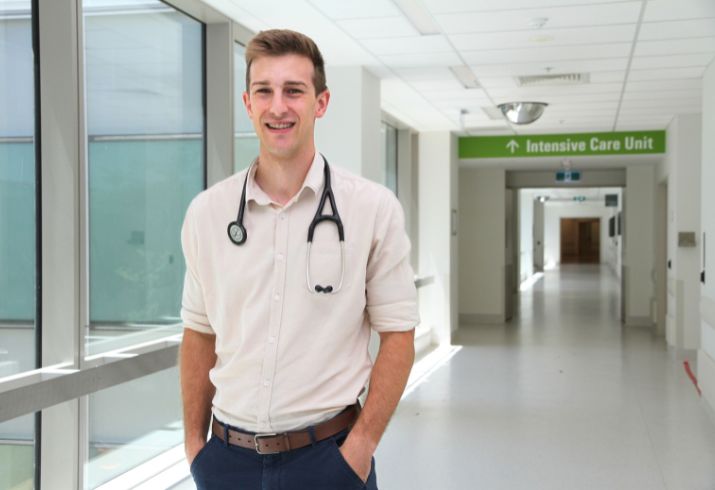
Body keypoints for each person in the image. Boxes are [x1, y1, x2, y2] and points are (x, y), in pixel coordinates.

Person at [179, 28, 418, 490]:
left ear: (321, 102)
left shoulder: (370, 208)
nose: (278, 106)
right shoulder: (208, 213)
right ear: (248, 103)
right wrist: (194, 446)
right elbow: (198, 331)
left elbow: (398, 334)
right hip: (227, 464)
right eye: (264, 91)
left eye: (294, 91)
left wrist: (361, 447)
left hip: (330, 460)